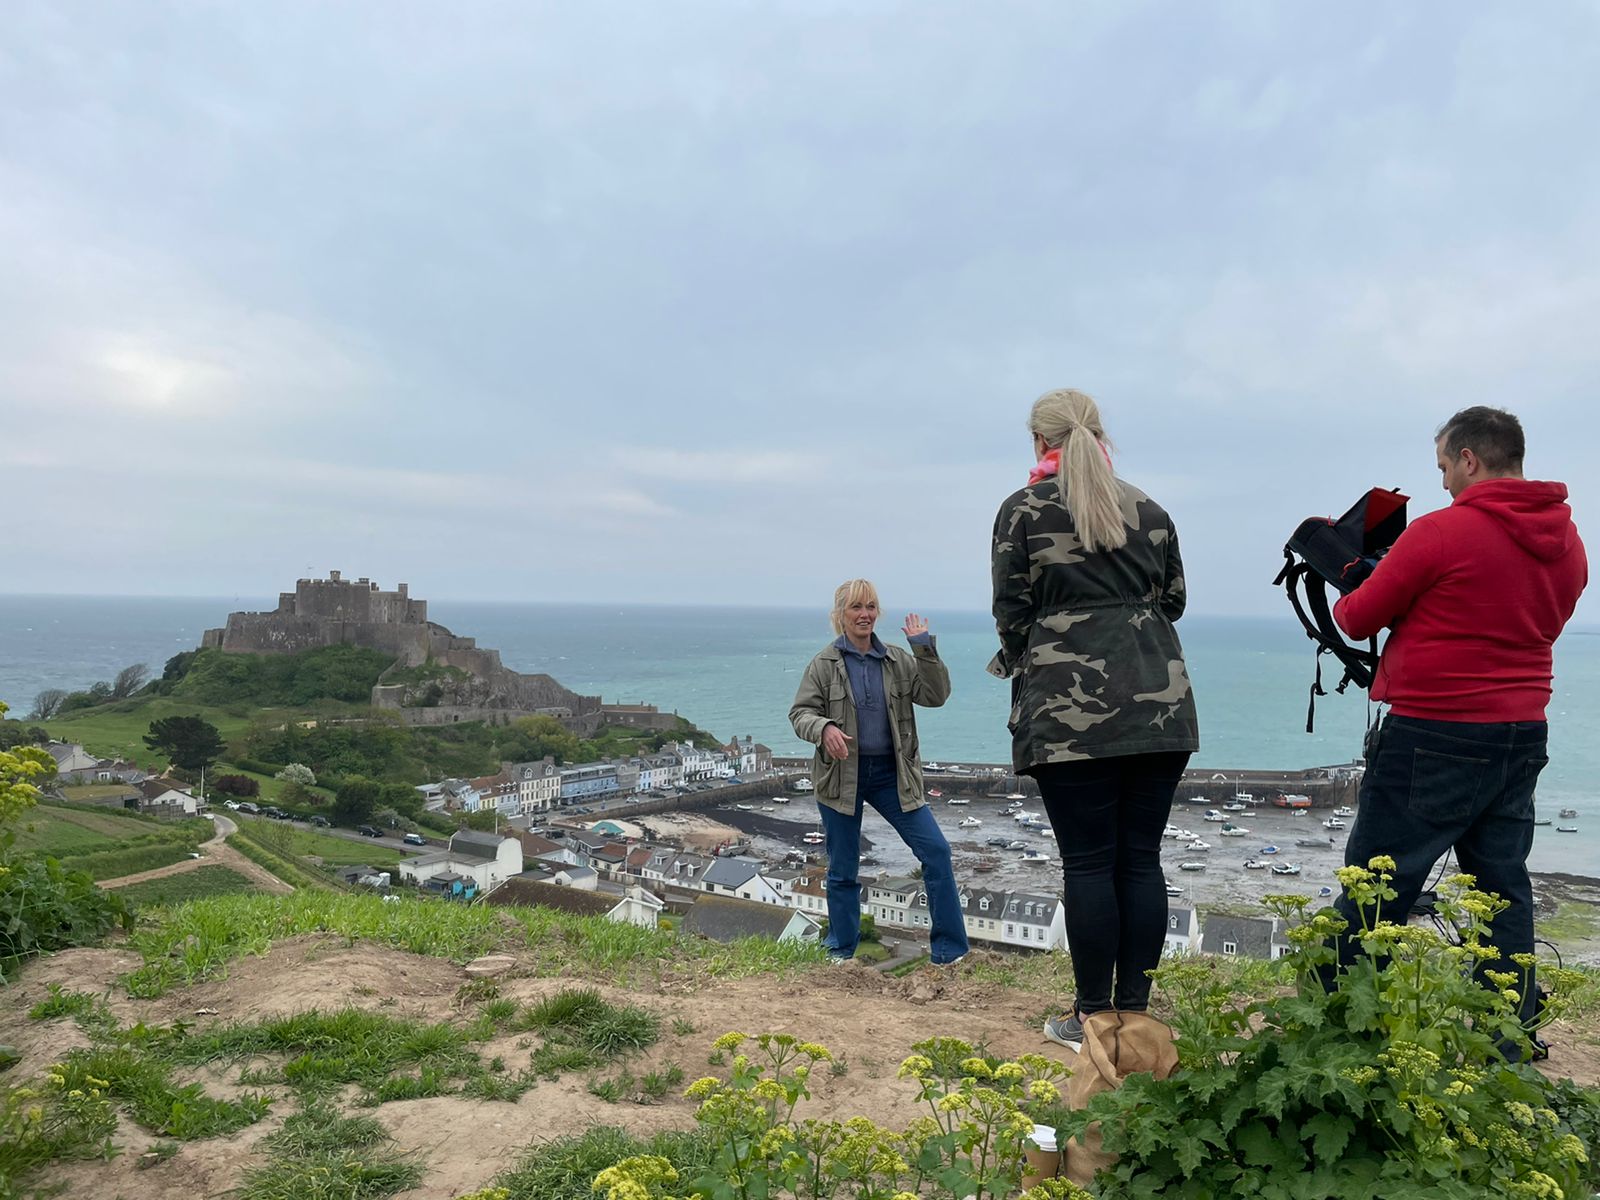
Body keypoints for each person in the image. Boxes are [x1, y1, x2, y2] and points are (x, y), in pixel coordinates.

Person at [1330, 406, 1587, 1037]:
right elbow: (1535, 621)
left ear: (1469, 459)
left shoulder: (1442, 532)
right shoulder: (1569, 541)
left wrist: (1354, 576)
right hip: (1523, 732)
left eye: (1444, 466)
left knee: (1376, 887)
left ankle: (1337, 1029)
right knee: (1501, 890)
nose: (1443, 481)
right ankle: (1509, 1034)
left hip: (1435, 734)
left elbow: (1357, 619)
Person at [990, 388, 1199, 1047]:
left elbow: (1012, 616)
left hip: (1065, 712)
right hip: (1159, 707)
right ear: (1102, 434)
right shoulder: (1151, 509)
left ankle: (1088, 1016)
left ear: (1037, 443)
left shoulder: (1021, 513)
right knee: (1140, 860)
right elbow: (1174, 600)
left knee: (1087, 864)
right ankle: (1133, 1015)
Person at [789, 579, 968, 965]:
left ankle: (950, 952)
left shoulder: (899, 660)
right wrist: (825, 729)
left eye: (870, 607)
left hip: (893, 775)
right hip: (840, 776)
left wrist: (924, 647)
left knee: (936, 852)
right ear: (840, 615)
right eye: (856, 607)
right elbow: (800, 714)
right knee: (843, 868)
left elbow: (935, 697)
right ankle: (840, 952)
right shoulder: (823, 664)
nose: (865, 614)